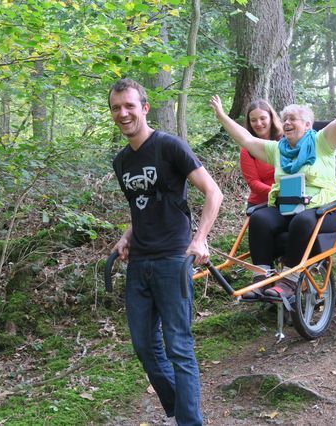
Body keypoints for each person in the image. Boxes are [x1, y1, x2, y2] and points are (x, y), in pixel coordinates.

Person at [109, 78, 223, 425]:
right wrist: (126, 236)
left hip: (173, 259)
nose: (123, 113)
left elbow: (213, 193)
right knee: (145, 347)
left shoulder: (170, 146)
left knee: (179, 347)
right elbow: (143, 206)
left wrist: (199, 239)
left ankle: (189, 421)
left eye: (130, 106)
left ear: (144, 107)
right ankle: (179, 410)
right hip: (139, 262)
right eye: (116, 108)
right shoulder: (121, 161)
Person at [210, 64, 336, 299]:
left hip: (326, 212)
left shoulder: (322, 142)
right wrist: (222, 117)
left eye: (293, 119)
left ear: (307, 125)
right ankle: (262, 277)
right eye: (284, 119)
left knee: (302, 221)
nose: (287, 122)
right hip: (290, 208)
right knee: (259, 219)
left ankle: (289, 280)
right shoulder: (277, 150)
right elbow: (245, 139)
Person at [240, 99, 283, 208]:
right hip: (261, 203)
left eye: (263, 118)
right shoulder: (247, 149)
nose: (258, 123)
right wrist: (277, 193)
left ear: (271, 118)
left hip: (290, 200)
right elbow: (253, 182)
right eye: (253, 120)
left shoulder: (285, 141)